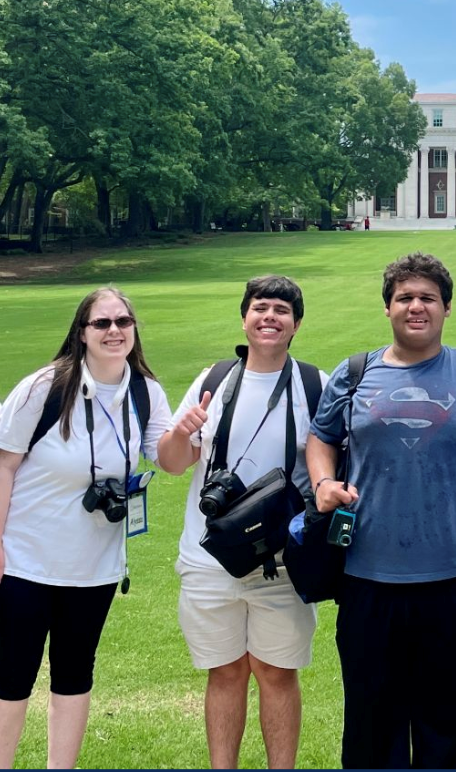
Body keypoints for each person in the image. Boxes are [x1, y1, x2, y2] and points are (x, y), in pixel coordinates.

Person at [306, 252, 456, 769]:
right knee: (370, 722)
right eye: (405, 297)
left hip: (449, 576)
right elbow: (320, 437)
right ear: (387, 307)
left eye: (428, 298)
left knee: (443, 721)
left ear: (447, 308)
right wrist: (323, 482)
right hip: (366, 575)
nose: (416, 307)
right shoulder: (355, 373)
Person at [0, 286, 172, 769]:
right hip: (24, 560)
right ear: (82, 332)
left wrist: (185, 433)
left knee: (76, 672)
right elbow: (3, 467)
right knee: (14, 670)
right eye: (102, 323)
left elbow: (170, 459)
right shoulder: (45, 387)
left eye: (123, 322)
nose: (114, 331)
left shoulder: (144, 392)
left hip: (95, 565)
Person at [156, 276, 328, 769]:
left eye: (281, 310)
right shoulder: (214, 380)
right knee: (225, 673)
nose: (270, 317)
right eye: (260, 307)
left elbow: (332, 461)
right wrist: (182, 432)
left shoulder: (314, 385)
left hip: (283, 561)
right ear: (244, 317)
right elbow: (172, 463)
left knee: (277, 674)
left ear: (296, 324)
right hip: (210, 556)